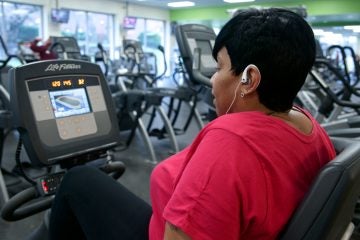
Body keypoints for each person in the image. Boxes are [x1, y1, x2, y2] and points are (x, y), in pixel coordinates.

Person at [47, 8, 336, 240]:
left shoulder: (229, 143)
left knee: (78, 181)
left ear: (249, 80)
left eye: (220, 67)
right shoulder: (308, 124)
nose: (212, 79)